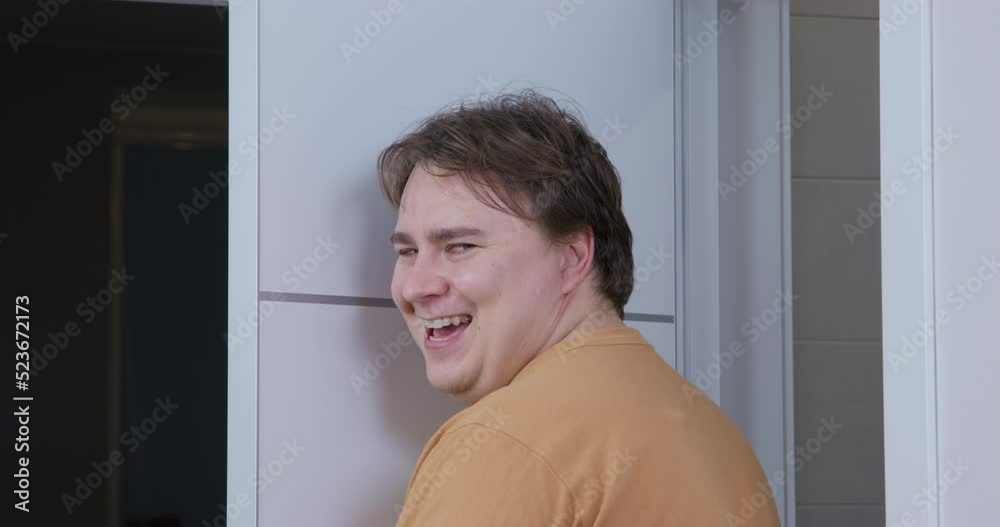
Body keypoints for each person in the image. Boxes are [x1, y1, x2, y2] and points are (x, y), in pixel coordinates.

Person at [377, 90, 780, 526]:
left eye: (459, 246)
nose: (415, 287)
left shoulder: (507, 440)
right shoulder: (711, 433)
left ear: (571, 257)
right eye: (408, 252)